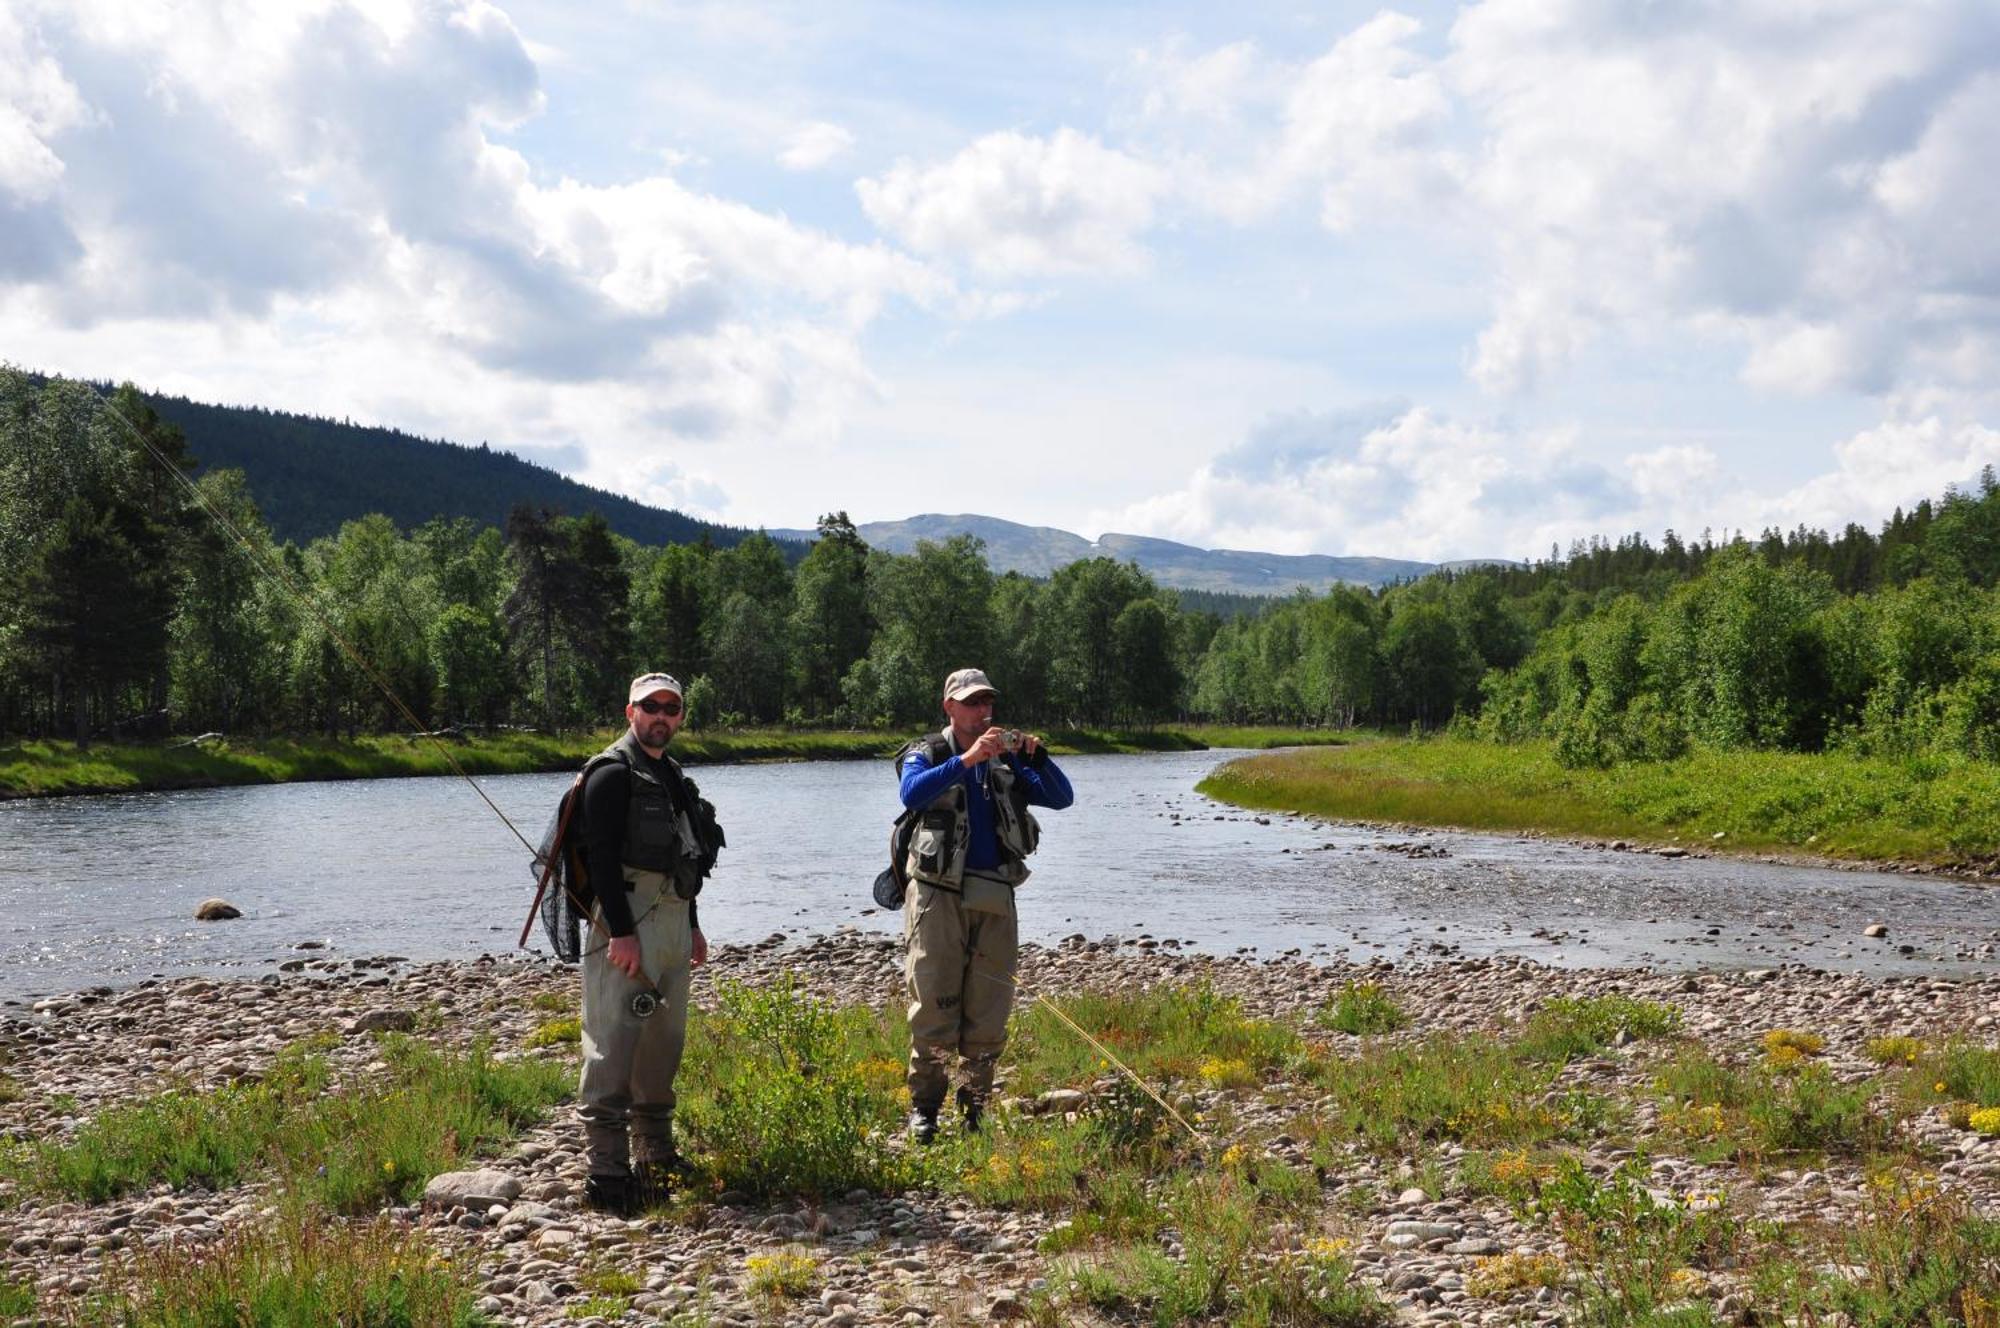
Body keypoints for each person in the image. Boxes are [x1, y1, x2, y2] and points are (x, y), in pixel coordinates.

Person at [897, 667, 1074, 1143]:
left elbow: (1062, 797)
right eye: (972, 703)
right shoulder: (928, 752)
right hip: (937, 896)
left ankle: (974, 1107)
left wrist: (1038, 756)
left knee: (989, 1009)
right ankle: (926, 1110)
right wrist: (969, 759)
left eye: (987, 703)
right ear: (949, 706)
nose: (982, 712)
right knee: (934, 1003)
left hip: (994, 893)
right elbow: (911, 792)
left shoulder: (1008, 761)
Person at [574, 672, 718, 1213]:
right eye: (650, 706)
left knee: (663, 1041)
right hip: (627, 920)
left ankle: (655, 1155)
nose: (661, 716)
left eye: (671, 708)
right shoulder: (610, 774)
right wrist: (623, 933)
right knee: (613, 1043)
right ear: (629, 711)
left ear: (681, 716)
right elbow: (603, 861)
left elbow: (688, 857)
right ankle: (607, 1171)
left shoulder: (674, 775)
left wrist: (695, 925)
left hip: (675, 924)